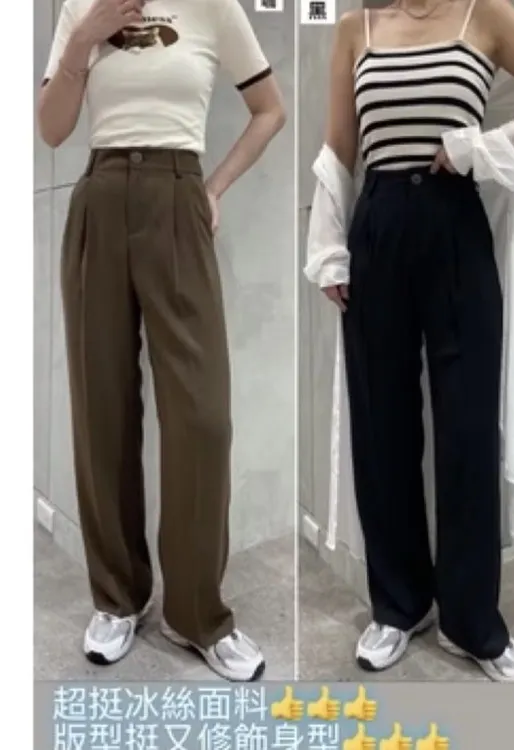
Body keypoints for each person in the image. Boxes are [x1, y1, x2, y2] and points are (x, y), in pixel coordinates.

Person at [306, 0, 514, 682]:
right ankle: (399, 606)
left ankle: (473, 622)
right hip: (380, 227)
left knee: (469, 429)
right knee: (382, 424)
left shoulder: (484, 14)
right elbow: (339, 148)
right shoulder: (356, 28)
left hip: (457, 225)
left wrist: (477, 148)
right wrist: (329, 248)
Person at [38, 0, 286, 682]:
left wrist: (215, 186)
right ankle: (117, 599)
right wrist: (83, 38)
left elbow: (270, 109)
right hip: (100, 196)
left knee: (203, 418)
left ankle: (198, 612)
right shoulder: (80, 7)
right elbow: (52, 129)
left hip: (179, 195)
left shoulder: (214, 7)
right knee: (102, 408)